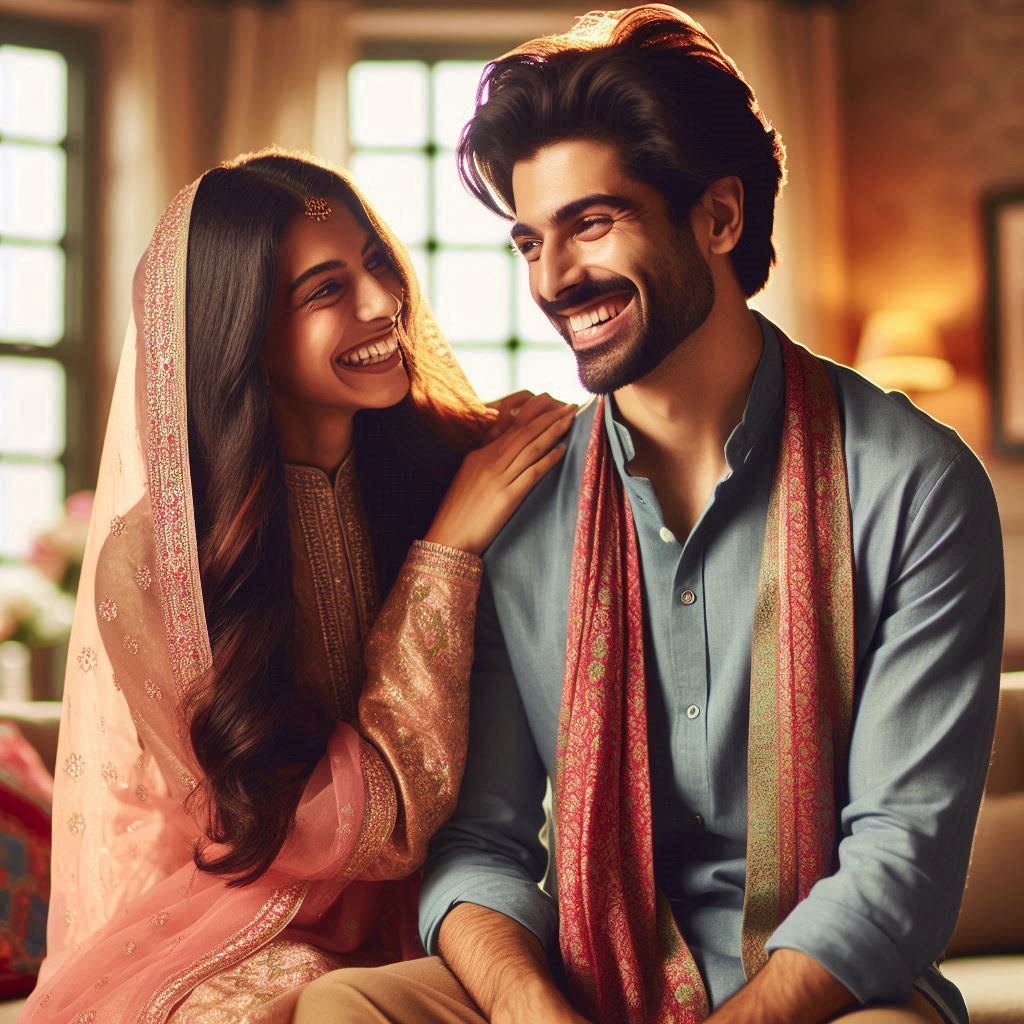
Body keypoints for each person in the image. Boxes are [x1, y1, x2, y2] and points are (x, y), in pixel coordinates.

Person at [295, 7, 1005, 1024]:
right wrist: (533, 1009)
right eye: (528, 241)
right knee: (349, 1010)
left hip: (823, 1000)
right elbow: (480, 844)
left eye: (591, 224)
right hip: (584, 979)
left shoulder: (914, 484)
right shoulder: (522, 497)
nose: (551, 279)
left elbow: (900, 858)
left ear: (717, 219)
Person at [21, 149, 574, 1023]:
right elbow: (317, 833)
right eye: (325, 290)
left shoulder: (459, 464)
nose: (381, 302)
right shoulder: (159, 563)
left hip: (457, 904)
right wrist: (446, 550)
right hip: (258, 910)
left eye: (378, 262)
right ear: (243, 328)